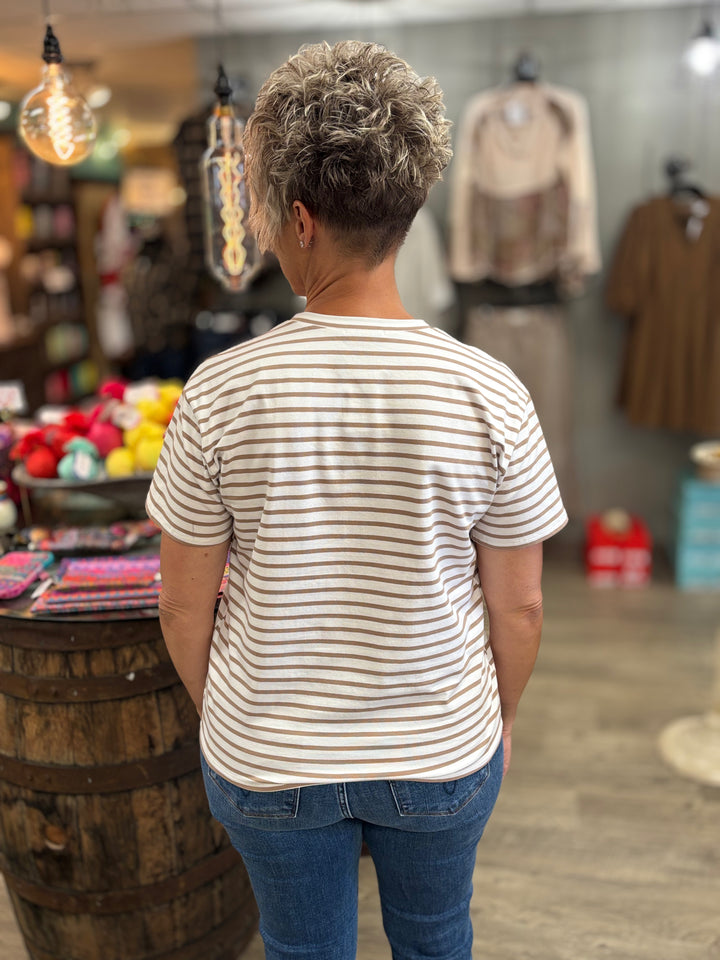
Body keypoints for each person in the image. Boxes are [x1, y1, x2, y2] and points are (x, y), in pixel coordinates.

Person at [146, 40, 567, 960]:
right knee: (434, 939)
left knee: (304, 952)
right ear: (406, 210)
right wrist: (492, 723)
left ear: (300, 218)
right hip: (442, 748)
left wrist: (227, 718)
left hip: (268, 757)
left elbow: (181, 600)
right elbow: (522, 604)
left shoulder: (218, 391)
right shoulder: (489, 390)